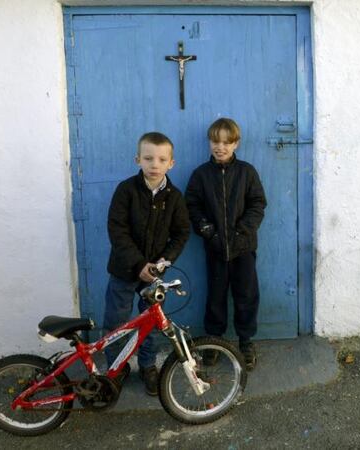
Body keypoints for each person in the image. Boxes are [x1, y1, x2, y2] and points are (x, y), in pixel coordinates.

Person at [104, 131, 190, 395]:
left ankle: (149, 367)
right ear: (137, 159)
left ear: (171, 163)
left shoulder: (174, 196)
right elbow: (117, 229)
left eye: (162, 159)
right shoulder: (126, 190)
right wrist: (139, 264)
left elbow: (181, 232)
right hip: (123, 271)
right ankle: (115, 369)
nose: (155, 164)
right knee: (116, 323)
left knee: (152, 323)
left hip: (154, 276)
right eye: (148, 158)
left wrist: (164, 261)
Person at [185, 118, 267, 370]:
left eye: (226, 142)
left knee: (246, 294)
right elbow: (192, 204)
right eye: (215, 141)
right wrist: (208, 231)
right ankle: (214, 341)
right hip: (216, 248)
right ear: (209, 142)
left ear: (235, 143)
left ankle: (246, 341)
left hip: (243, 248)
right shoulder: (201, 174)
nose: (220, 147)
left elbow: (257, 203)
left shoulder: (246, 172)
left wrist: (242, 232)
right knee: (216, 296)